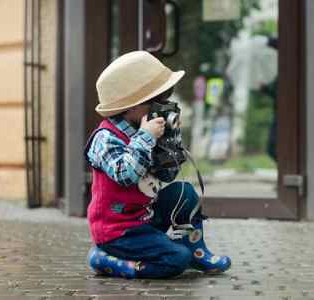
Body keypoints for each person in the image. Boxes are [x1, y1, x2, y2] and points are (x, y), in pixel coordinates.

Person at [85, 51, 231, 279]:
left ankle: (195, 248)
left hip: (145, 216)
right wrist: (145, 137)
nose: (161, 106)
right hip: (118, 232)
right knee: (176, 259)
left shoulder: (144, 128)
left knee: (185, 192)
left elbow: (167, 176)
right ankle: (107, 260)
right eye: (157, 101)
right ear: (131, 106)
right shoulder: (105, 138)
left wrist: (169, 142)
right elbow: (126, 175)